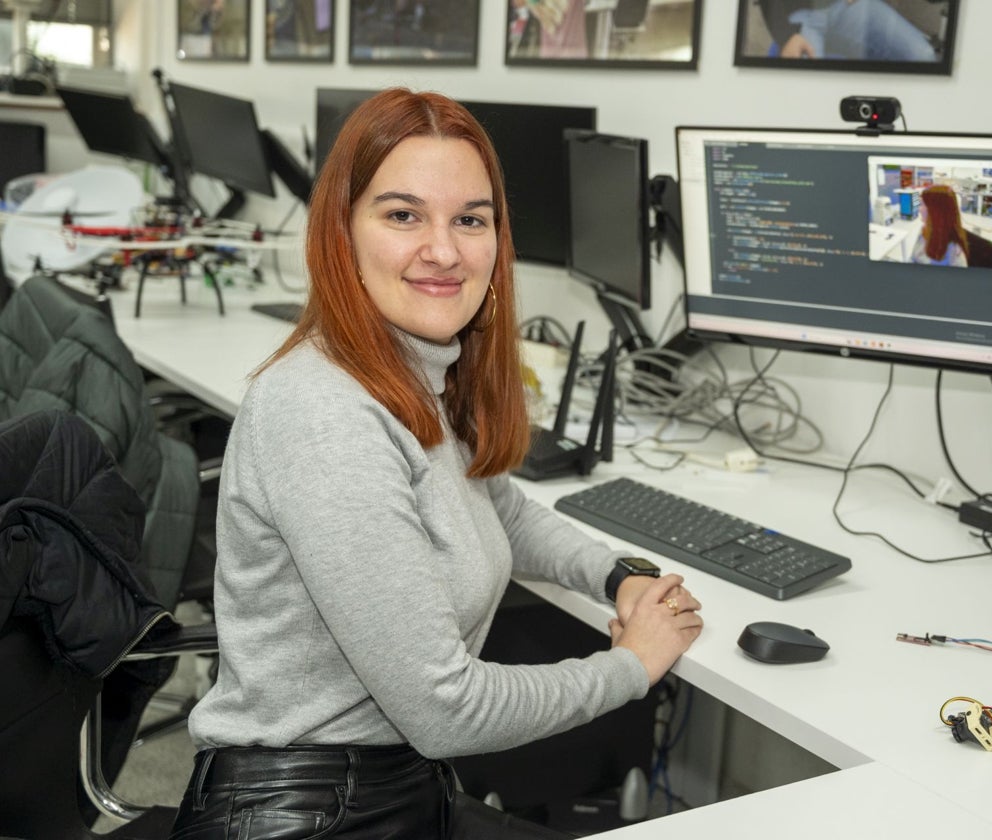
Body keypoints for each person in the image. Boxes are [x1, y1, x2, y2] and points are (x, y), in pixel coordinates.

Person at [167, 87, 703, 840]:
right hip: (309, 812)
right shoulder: (326, 410)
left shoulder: (418, 373)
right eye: (403, 215)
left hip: (395, 787)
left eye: (470, 219)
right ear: (341, 232)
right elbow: (446, 710)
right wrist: (631, 668)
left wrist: (618, 576)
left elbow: (498, 505)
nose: (445, 251)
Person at [755, 0, 938, 63]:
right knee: (807, 94)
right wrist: (786, 35)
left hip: (845, 7)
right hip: (799, 15)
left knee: (923, 56)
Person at [911, 184, 969, 267]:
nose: (919, 209)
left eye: (923, 204)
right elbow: (913, 258)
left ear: (937, 213)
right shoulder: (925, 230)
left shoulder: (954, 253)